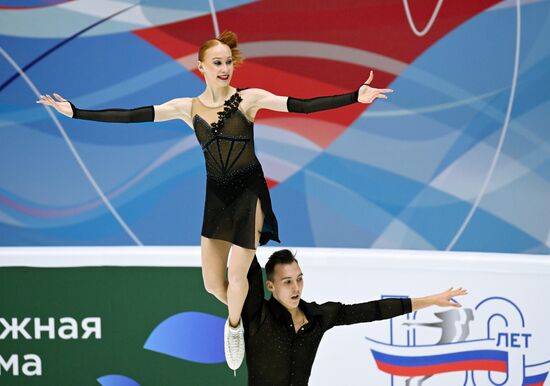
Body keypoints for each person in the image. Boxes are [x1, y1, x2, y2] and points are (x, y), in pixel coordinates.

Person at [36, 30, 394, 371]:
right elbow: (133, 115)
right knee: (212, 283)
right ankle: (258, 317)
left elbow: (299, 105)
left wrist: (353, 97)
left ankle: (236, 327)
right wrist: (77, 111)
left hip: (250, 193)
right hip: (217, 196)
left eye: (228, 63)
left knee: (238, 276)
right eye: (217, 63)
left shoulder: (249, 99)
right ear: (201, 66)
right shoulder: (185, 107)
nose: (224, 69)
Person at [242, 250, 468, 386]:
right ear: (270, 286)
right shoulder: (258, 315)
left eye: (299, 279)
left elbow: (373, 310)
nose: (296, 287)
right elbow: (245, 261)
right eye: (287, 281)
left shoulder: (318, 318)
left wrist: (431, 300)